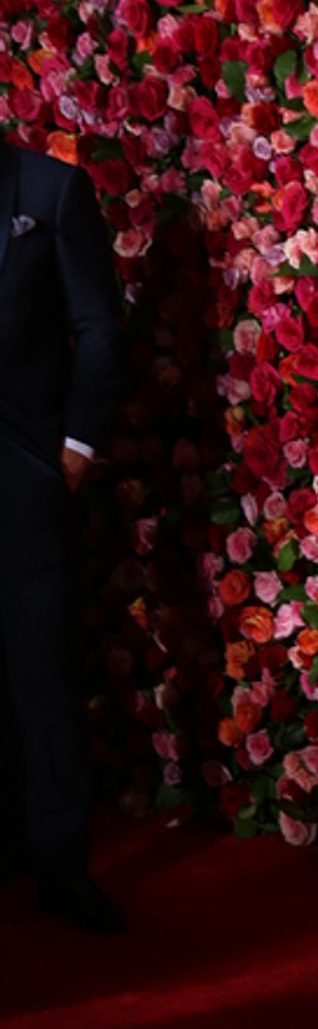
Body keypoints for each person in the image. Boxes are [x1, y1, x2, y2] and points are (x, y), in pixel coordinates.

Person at [0, 137, 125, 934]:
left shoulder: (50, 190)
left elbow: (99, 326)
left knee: (39, 679)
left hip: (22, 477)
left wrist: (76, 448)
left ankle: (60, 865)